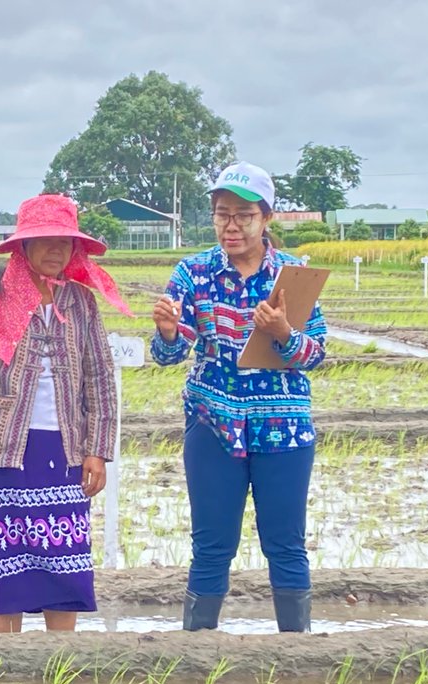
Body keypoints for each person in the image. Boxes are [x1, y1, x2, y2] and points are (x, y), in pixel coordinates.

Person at [0, 194, 129, 634]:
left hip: (67, 448)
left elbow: (99, 378)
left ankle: (60, 662)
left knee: (66, 557)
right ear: (22, 247)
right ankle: (8, 665)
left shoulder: (80, 303)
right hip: (3, 451)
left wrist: (98, 451)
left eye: (64, 242)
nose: (56, 250)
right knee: (11, 560)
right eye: (45, 241)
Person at [151, 162, 327, 633]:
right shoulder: (193, 273)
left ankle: (296, 650)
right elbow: (170, 355)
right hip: (213, 423)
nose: (231, 225)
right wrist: (168, 333)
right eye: (221, 214)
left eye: (243, 215)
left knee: (285, 543)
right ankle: (197, 650)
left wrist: (284, 333)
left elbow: (315, 354)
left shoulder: (297, 277)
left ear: (266, 218)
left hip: (284, 427)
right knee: (212, 545)